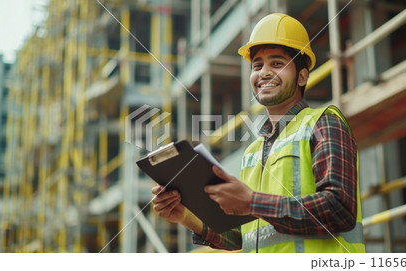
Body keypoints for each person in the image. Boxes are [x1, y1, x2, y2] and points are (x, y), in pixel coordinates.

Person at [151, 13, 366, 253]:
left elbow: (339, 209)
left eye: (277, 63)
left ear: (302, 76)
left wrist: (252, 202)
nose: (264, 72)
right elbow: (247, 236)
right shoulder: (253, 151)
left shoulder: (323, 123)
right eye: (257, 65)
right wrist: (185, 217)